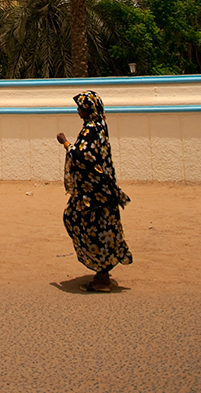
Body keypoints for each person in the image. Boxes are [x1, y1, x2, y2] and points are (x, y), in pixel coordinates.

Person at [56, 90, 132, 292]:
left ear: (87, 110)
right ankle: (103, 272)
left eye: (80, 107)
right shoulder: (100, 126)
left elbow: (82, 156)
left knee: (82, 224)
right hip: (102, 190)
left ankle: (102, 276)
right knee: (102, 228)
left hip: (93, 193)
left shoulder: (91, 130)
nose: (78, 111)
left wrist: (65, 143)